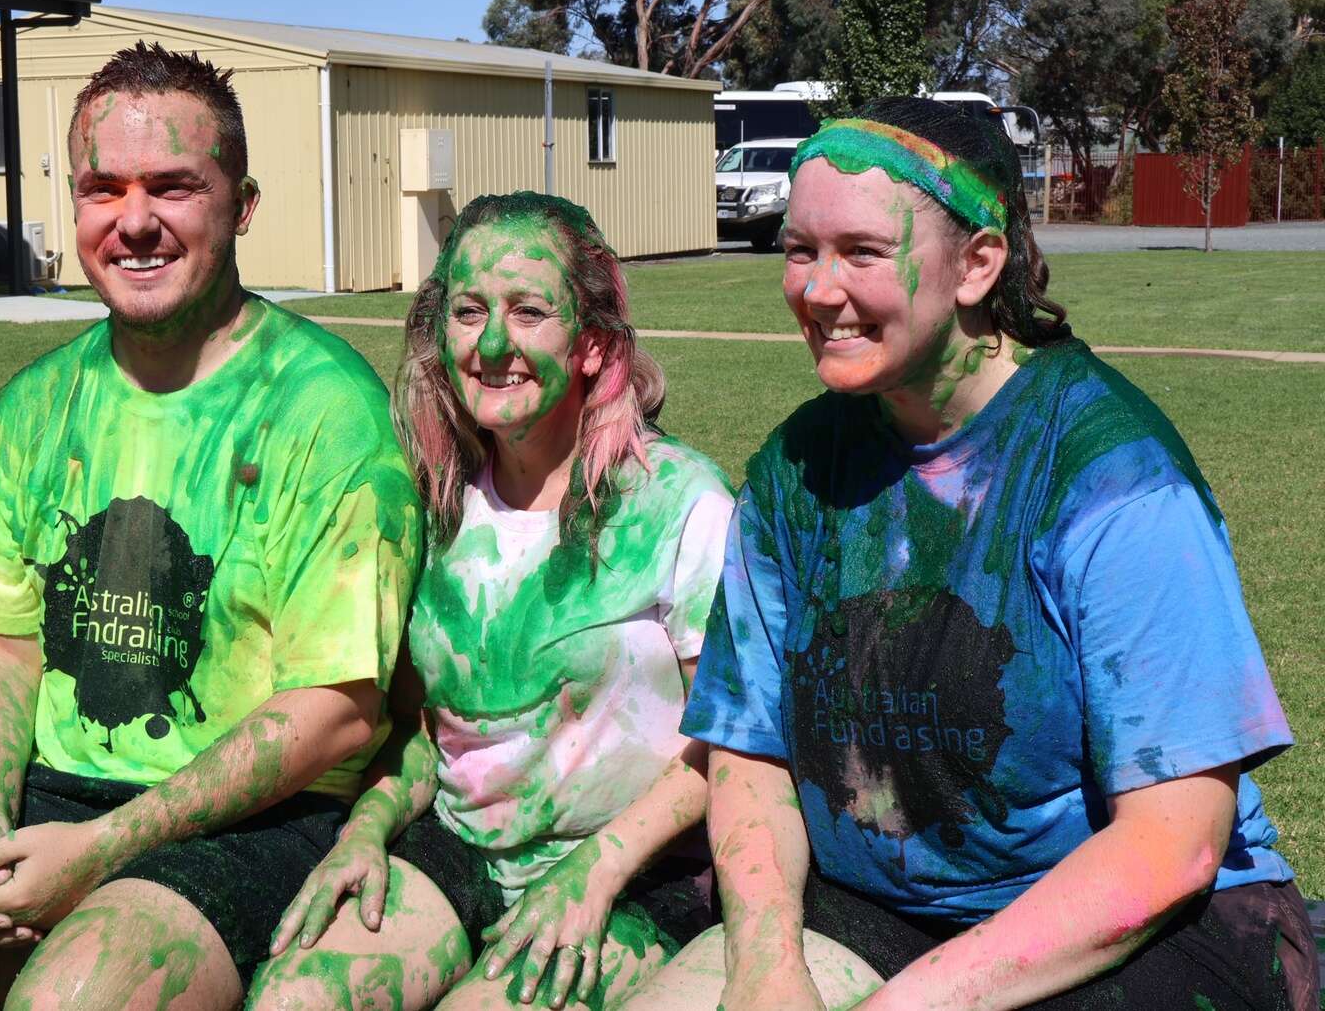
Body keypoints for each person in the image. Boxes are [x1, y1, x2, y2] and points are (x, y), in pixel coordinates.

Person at [0, 41, 422, 1010]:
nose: (135, 221)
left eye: (174, 187)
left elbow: (339, 711)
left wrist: (106, 847)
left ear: (241, 205)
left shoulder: (326, 411)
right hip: (50, 791)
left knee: (79, 996)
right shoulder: (37, 404)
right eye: (103, 188)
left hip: (263, 817)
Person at [658, 97, 1319, 1011]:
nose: (816, 289)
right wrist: (766, 967)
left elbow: (1176, 843)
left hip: (1159, 925)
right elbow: (749, 754)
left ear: (977, 264)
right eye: (799, 249)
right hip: (882, 906)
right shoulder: (794, 471)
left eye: (860, 251)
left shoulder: (1112, 478)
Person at [250, 193, 878, 1011]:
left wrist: (599, 868)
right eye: (469, 312)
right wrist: (364, 830)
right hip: (462, 848)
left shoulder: (679, 506)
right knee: (294, 997)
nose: (494, 343)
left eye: (529, 311)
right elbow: (419, 731)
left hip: (637, 875)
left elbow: (732, 745)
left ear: (590, 344)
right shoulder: (436, 503)